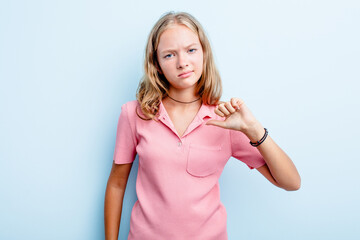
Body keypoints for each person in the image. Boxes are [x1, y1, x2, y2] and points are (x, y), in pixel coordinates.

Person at [104, 11, 300, 240]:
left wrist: (253, 129)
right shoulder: (134, 114)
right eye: (169, 55)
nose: (182, 62)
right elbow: (117, 185)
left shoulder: (227, 120)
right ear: (156, 64)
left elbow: (291, 182)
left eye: (191, 50)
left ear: (204, 53)